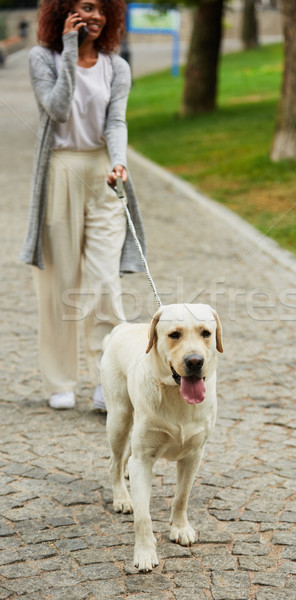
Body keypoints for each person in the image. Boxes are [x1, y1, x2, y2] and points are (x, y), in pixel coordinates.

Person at [20, 0, 145, 411]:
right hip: (60, 170)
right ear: (64, 12)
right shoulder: (43, 58)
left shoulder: (117, 66)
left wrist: (119, 160)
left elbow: (116, 121)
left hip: (102, 173)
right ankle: (60, 380)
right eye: (85, 7)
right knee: (59, 284)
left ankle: (105, 381)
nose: (94, 17)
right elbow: (56, 109)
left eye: (100, 10)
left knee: (105, 281)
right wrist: (70, 51)